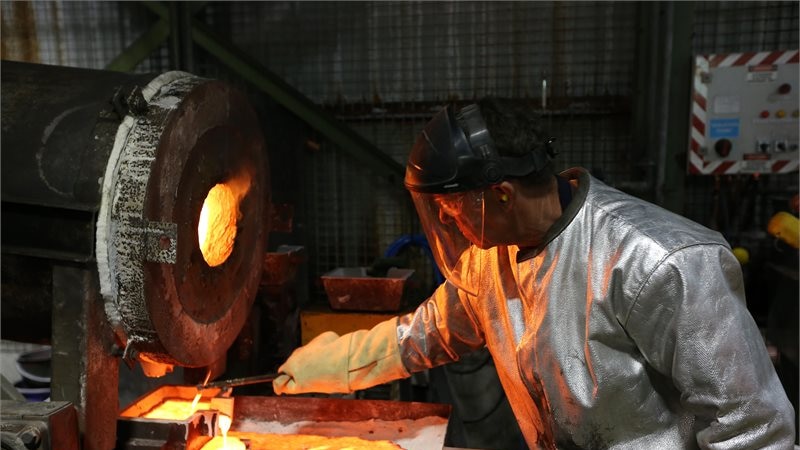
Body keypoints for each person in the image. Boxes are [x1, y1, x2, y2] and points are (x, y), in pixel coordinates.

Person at [273, 98, 796, 449]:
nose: (449, 221)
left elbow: (754, 426)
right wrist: (339, 363)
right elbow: (429, 335)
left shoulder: (659, 261)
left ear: (501, 193)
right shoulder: (489, 260)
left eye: (454, 207)